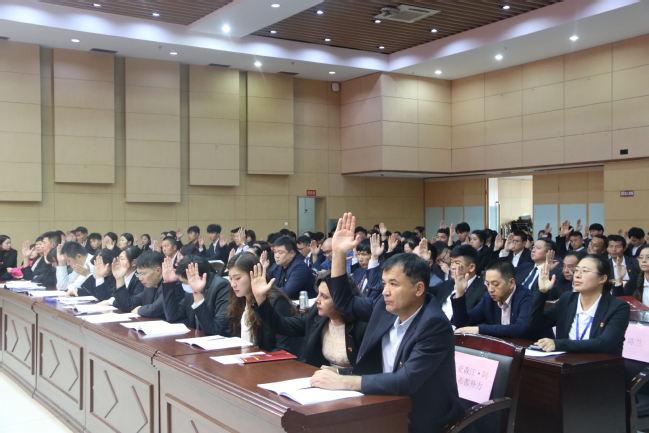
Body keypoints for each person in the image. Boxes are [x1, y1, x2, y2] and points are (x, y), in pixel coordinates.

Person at [308, 213, 464, 433]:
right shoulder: (384, 307)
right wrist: (339, 254)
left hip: (421, 419)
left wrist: (345, 381)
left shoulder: (434, 325)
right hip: (382, 405)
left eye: (393, 284)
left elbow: (405, 381)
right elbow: (344, 302)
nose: (385, 292)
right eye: (384, 283)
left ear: (419, 289)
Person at [253, 269, 367, 367]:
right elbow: (282, 325)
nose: (317, 300)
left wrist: (338, 373)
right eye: (318, 294)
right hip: (321, 379)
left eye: (324, 296)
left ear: (343, 298)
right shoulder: (316, 315)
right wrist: (261, 298)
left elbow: (369, 371)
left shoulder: (363, 324)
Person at [530, 254, 630, 355]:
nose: (577, 275)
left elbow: (604, 343)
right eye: (576, 270)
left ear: (602, 278)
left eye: (584, 271)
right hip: (565, 361)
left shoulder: (618, 307)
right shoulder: (567, 299)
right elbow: (536, 324)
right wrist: (542, 292)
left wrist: (559, 344)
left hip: (599, 362)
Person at [226, 252, 301, 353]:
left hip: (267, 360)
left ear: (254, 275)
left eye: (237, 278)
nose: (233, 284)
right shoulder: (239, 300)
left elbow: (284, 349)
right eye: (231, 278)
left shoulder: (276, 302)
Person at [452, 259, 545, 340]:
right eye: (487, 284)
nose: (490, 289)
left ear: (511, 283)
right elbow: (463, 323)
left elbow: (521, 329)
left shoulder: (527, 298)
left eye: (495, 284)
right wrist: (460, 293)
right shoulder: (488, 298)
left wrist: (479, 329)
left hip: (531, 349)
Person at [161, 255, 232, 334]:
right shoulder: (190, 289)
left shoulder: (221, 286)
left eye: (184, 282)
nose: (183, 285)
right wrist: (168, 283)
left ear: (199, 278)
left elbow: (215, 330)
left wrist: (198, 293)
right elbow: (172, 317)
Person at [112, 250, 184, 318]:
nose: (139, 278)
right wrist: (119, 279)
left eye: (142, 274)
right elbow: (128, 306)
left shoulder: (172, 284)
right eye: (138, 274)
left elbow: (155, 310)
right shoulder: (149, 286)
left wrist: (139, 310)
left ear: (158, 271)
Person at [430, 245, 487, 321]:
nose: (452, 267)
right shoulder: (446, 285)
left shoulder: (483, 292)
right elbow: (423, 292)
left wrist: (460, 293)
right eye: (452, 262)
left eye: (457, 263)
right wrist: (422, 260)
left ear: (471, 267)